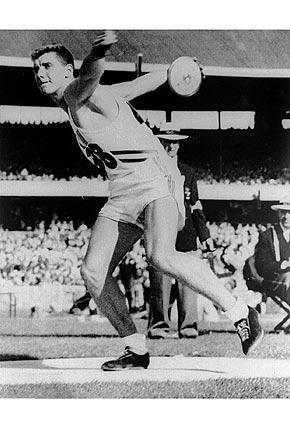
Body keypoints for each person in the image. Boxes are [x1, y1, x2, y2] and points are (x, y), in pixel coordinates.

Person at [31, 30, 263, 371]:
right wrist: (173, 73)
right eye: (36, 69)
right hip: (122, 191)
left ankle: (241, 312)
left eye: (47, 66)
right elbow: (136, 87)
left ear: (68, 71)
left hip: (155, 180)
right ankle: (135, 348)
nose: (40, 74)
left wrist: (99, 53)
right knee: (93, 272)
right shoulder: (96, 97)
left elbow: (90, 75)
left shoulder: (76, 92)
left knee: (160, 254)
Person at [148, 126, 215, 339]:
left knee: (188, 283)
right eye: (167, 141)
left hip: (186, 236)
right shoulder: (151, 171)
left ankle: (188, 327)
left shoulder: (188, 173)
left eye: (175, 142)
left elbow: (196, 208)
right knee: (160, 283)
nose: (171, 146)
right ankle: (159, 327)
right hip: (160, 233)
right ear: (160, 143)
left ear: (179, 144)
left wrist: (205, 237)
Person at [245, 197, 290, 305]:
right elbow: (262, 266)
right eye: (284, 212)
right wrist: (282, 264)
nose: (287, 216)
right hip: (274, 280)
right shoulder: (267, 235)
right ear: (279, 213)